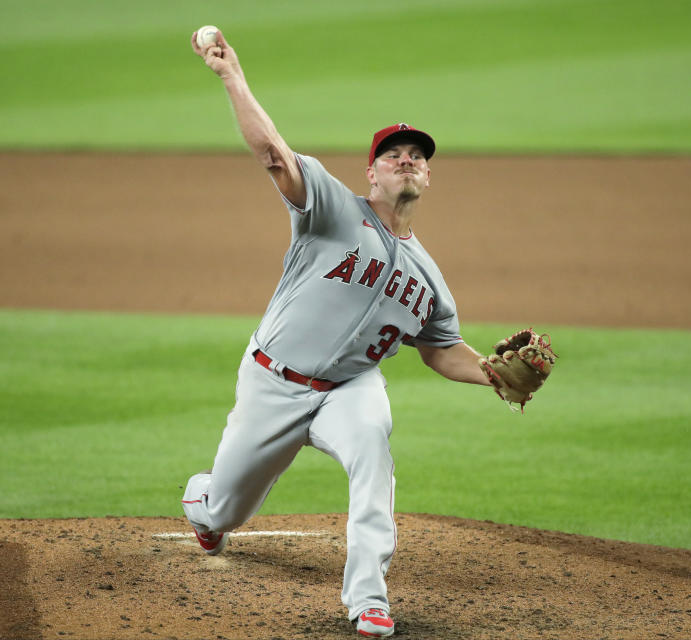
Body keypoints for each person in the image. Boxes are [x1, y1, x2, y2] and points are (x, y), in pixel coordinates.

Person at [181, 28, 494, 638]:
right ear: (371, 173)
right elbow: (275, 155)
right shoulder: (330, 208)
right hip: (272, 380)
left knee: (373, 444)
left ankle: (368, 598)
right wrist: (231, 75)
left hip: (349, 388)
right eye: (394, 154)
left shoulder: (428, 278)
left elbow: (440, 348)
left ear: (427, 178)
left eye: (417, 157)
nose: (407, 160)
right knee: (225, 512)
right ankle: (205, 504)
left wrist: (491, 374)